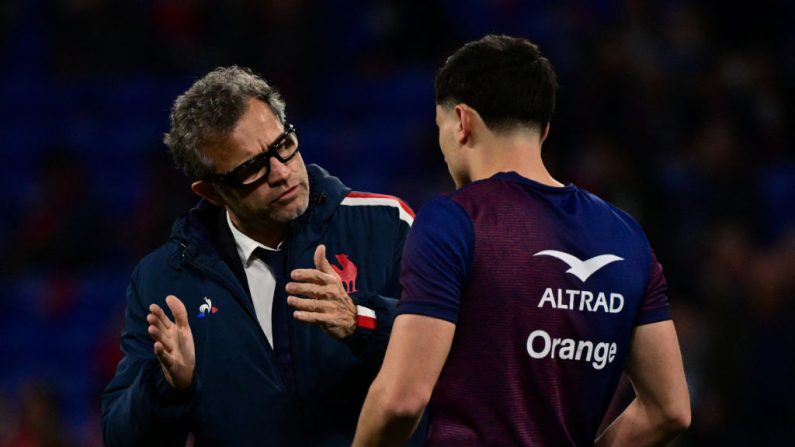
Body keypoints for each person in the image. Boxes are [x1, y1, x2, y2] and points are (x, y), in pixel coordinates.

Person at [353, 35, 691, 446]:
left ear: (461, 121)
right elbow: (670, 409)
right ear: (544, 129)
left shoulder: (454, 220)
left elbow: (401, 400)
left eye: (440, 125)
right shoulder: (626, 236)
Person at [101, 66, 421, 446]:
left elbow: (460, 351)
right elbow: (121, 438)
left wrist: (360, 320)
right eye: (252, 168)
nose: (282, 173)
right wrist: (168, 386)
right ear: (211, 192)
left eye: (283, 145)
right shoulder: (164, 279)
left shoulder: (385, 223)